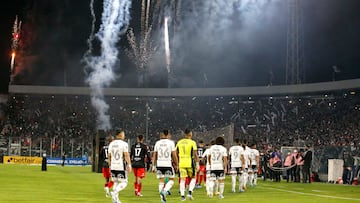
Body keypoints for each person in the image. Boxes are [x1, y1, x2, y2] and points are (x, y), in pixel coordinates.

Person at [153, 129, 178, 203]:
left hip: (159, 164)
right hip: (167, 163)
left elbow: (155, 155)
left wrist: (153, 165)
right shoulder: (171, 143)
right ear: (168, 135)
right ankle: (165, 191)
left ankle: (162, 199)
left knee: (161, 181)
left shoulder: (157, 143)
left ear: (162, 134)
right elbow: (174, 155)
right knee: (171, 179)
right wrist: (177, 164)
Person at [108, 130, 132, 203]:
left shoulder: (111, 144)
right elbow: (126, 155)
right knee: (124, 182)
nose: (124, 135)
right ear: (120, 135)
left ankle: (115, 200)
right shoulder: (124, 144)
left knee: (116, 182)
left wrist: (109, 166)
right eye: (123, 134)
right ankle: (115, 192)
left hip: (113, 166)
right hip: (120, 166)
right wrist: (129, 164)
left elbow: (109, 157)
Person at [176, 129, 199, 201]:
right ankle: (189, 192)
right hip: (189, 162)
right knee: (193, 178)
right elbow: (195, 154)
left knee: (182, 180)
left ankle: (182, 196)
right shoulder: (192, 142)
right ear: (190, 134)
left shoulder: (179, 142)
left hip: (181, 163)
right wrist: (197, 163)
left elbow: (175, 153)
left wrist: (177, 163)